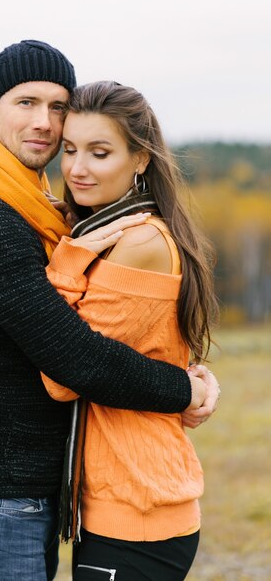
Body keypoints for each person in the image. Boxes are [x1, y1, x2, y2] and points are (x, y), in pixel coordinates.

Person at [0, 40, 217, 581]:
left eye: (57, 106)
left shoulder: (31, 209)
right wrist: (184, 390)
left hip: (17, 499)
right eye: (26, 102)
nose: (45, 123)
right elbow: (77, 361)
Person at [41, 80, 220, 581]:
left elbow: (64, 373)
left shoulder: (139, 240)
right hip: (121, 503)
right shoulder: (107, 229)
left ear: (140, 159)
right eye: (70, 149)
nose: (77, 168)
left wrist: (67, 262)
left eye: (100, 152)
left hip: (138, 509)